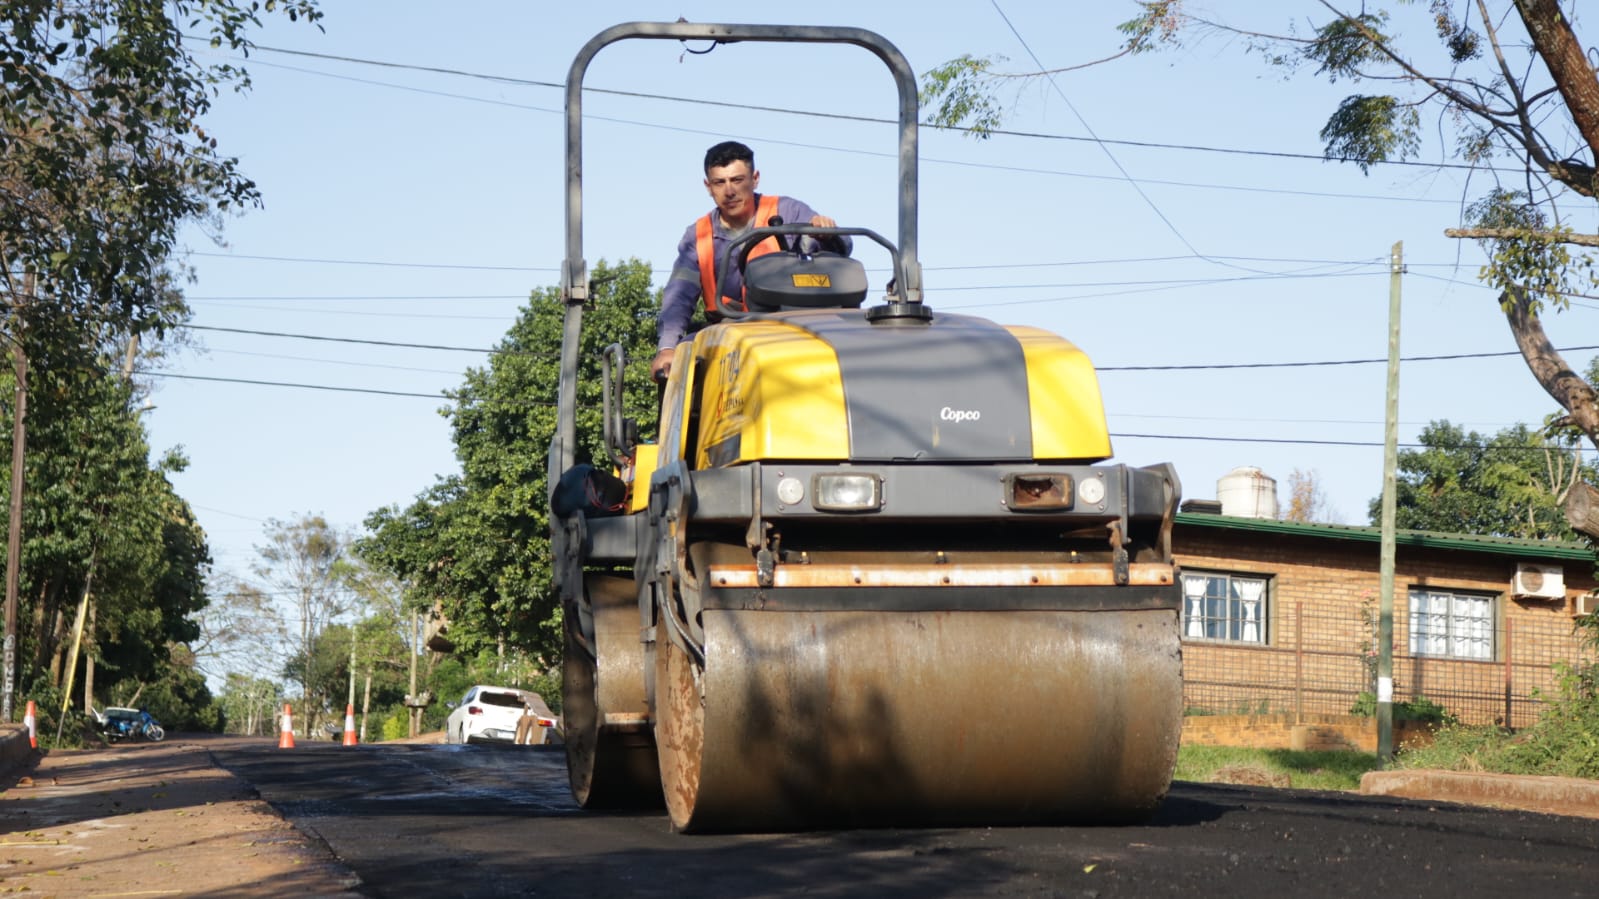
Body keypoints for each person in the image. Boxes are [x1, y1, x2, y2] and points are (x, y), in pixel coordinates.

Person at [651, 140, 850, 380]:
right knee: (680, 361)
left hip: (787, 326)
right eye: (719, 182)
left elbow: (842, 247)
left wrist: (825, 232)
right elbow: (679, 296)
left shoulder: (788, 211)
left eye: (737, 180)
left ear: (754, 179)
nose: (729, 191)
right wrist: (668, 348)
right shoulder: (698, 235)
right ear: (708, 186)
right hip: (726, 333)